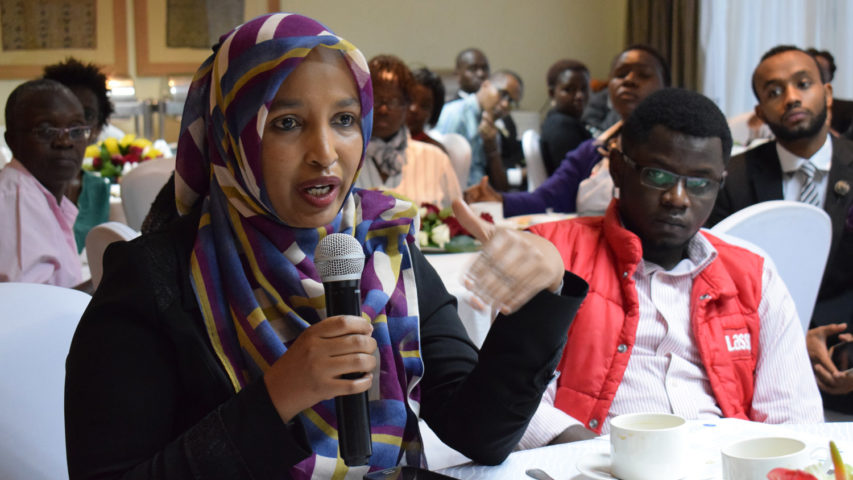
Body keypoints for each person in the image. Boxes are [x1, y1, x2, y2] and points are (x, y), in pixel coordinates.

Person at [64, 13, 588, 479]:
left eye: (343, 120)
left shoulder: (385, 244)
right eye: (287, 123)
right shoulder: (153, 277)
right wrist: (279, 397)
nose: (325, 154)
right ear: (233, 134)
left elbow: (477, 433)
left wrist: (545, 292)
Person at [519, 88, 822, 447]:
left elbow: (794, 417)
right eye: (659, 176)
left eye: (699, 183)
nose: (677, 198)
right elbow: (514, 400)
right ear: (618, 168)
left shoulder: (753, 274)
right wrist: (601, 455)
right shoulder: (553, 256)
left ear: (719, 185)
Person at [708, 45, 853, 415]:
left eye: (803, 83)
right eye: (774, 92)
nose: (791, 98)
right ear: (759, 112)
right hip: (757, 360)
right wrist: (790, 339)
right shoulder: (730, 179)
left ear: (828, 93)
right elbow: (713, 280)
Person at [464, 45, 670, 217]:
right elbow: (547, 198)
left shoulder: (679, 151)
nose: (629, 80)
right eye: (620, 74)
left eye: (643, 74)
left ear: (665, 87)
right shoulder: (592, 151)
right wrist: (497, 199)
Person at [0, 79, 90, 287]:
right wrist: (113, 284)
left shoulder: (40, 194)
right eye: (46, 131)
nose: (65, 142)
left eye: (76, 131)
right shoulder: (18, 197)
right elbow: (32, 307)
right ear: (12, 140)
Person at [355, 55, 461, 207]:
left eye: (393, 101)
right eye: (377, 99)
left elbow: (456, 220)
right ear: (363, 102)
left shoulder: (436, 159)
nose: (384, 109)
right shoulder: (342, 157)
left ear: (407, 104)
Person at [43, 57, 114, 252]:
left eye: (86, 116)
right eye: (63, 112)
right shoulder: (18, 192)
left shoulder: (101, 191)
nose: (71, 130)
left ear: (97, 128)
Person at [435, 70, 522, 191]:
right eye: (503, 94)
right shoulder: (456, 113)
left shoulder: (493, 124)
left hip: (480, 196)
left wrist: (491, 147)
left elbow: (501, 186)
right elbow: (437, 169)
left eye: (512, 102)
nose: (505, 104)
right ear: (485, 85)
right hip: (454, 197)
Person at [540, 59, 592, 176]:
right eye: (569, 89)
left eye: (584, 89)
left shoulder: (565, 121)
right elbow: (578, 176)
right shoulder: (561, 126)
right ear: (552, 93)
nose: (579, 96)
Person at [806, 47, 853, 137]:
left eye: (821, 72)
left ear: (830, 76)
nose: (815, 76)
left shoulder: (848, 110)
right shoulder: (792, 104)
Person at [407, 67, 447, 151]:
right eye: (410, 100)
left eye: (424, 106)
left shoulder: (436, 151)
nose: (414, 109)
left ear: (433, 112)